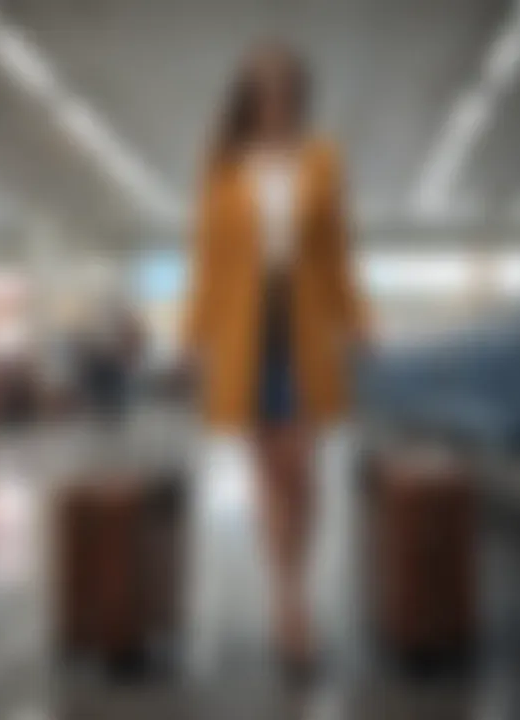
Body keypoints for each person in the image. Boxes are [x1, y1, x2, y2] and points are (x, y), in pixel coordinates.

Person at [181, 41, 370, 680]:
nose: (276, 102)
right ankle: (289, 604)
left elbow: (338, 253)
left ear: (300, 96)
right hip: (244, 332)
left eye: (287, 89)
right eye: (265, 90)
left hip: (306, 326)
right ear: (248, 98)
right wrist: (190, 337)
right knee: (269, 466)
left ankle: (293, 591)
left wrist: (360, 320)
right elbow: (206, 260)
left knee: (304, 471)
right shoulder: (222, 165)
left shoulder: (324, 161)